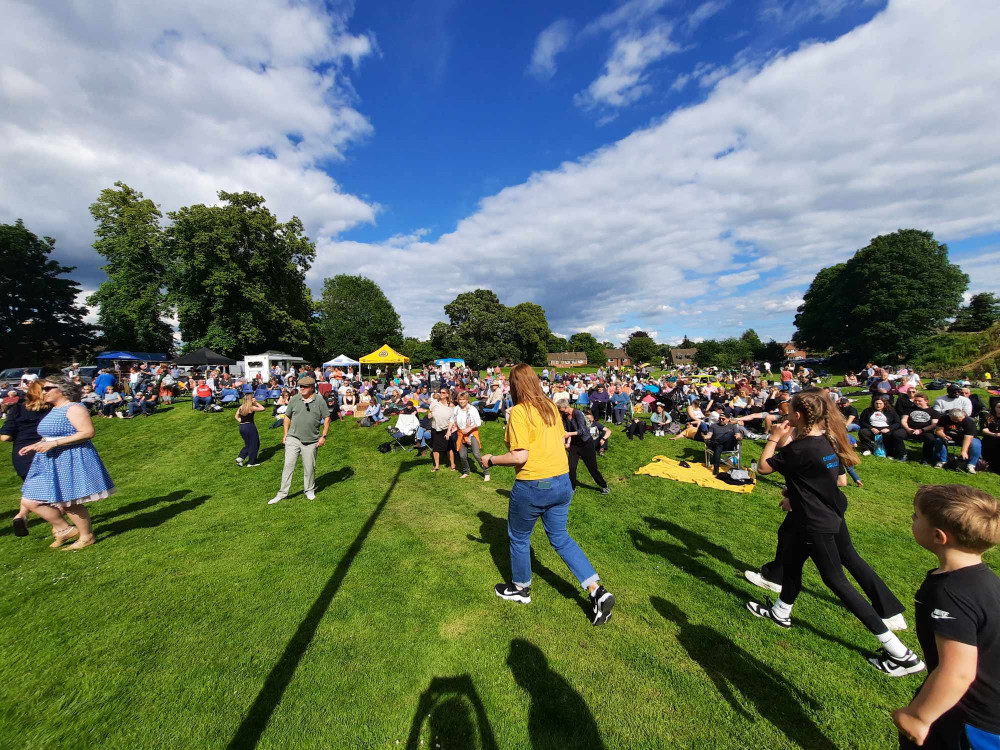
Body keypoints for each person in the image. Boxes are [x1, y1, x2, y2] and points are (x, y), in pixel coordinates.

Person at [745, 389, 922, 676]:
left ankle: (900, 653)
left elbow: (764, 467)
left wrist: (775, 437)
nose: (785, 415)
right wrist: (795, 493)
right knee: (791, 562)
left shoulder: (800, 448)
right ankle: (781, 612)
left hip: (816, 523)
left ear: (798, 415)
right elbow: (825, 478)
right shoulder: (825, 441)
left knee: (837, 581)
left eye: (789, 411)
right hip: (827, 513)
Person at [481, 364, 615, 625]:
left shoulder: (520, 412)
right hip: (562, 481)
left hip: (534, 484)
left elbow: (520, 455)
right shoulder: (551, 408)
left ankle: (520, 589)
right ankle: (596, 590)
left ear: (515, 385)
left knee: (518, 537)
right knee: (561, 538)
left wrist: (491, 460)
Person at [892, 484, 1000, 748]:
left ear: (939, 536)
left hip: (967, 718)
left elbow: (958, 671)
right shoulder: (985, 579)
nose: (912, 520)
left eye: (916, 517)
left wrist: (919, 717)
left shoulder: (950, 594)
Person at [17, 375, 115, 550]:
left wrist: (53, 444)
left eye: (47, 389)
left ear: (61, 390)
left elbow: (87, 432)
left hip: (68, 458)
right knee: (30, 499)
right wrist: (36, 445)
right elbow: (51, 434)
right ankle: (64, 529)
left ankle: (86, 536)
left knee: (69, 503)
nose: (43, 392)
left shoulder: (74, 408)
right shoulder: (55, 409)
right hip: (49, 460)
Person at [267, 376, 330, 504]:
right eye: (300, 386)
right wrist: (285, 434)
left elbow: (327, 418)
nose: (302, 389)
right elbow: (287, 417)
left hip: (311, 440)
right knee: (288, 466)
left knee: (309, 467)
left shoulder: (319, 400)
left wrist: (323, 436)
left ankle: (309, 490)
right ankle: (282, 494)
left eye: (305, 386)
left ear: (312, 387)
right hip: (293, 438)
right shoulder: (295, 399)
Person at [2, 380, 53, 536]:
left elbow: (4, 437)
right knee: (50, 492)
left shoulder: (17, 409)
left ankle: (22, 516)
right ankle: (61, 527)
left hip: (21, 455)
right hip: (46, 451)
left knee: (31, 489)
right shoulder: (53, 410)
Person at [558, 401, 610, 495]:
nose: (563, 413)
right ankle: (572, 488)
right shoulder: (565, 416)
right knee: (571, 467)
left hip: (586, 443)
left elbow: (582, 430)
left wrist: (569, 434)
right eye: (561, 412)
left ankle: (604, 486)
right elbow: (566, 431)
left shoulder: (578, 413)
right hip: (574, 444)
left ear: (567, 406)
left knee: (592, 468)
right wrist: (567, 442)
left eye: (564, 411)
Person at [449, 392, 488, 481]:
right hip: (461, 434)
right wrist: (448, 431)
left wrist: (469, 428)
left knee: (476, 454)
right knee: (462, 455)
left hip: (472, 433)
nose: (462, 401)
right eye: (460, 399)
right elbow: (452, 419)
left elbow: (478, 422)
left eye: (464, 399)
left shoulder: (472, 409)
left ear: (467, 400)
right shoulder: (456, 409)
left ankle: (486, 472)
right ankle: (466, 471)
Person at [933, 409, 982, 474]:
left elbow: (968, 438)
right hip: (949, 437)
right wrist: (943, 436)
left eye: (960, 418)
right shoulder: (944, 418)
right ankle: (941, 461)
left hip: (964, 439)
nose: (959, 420)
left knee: (976, 444)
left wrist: (964, 451)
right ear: (951, 417)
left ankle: (971, 465)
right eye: (955, 419)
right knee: (938, 440)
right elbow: (938, 430)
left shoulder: (969, 422)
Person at [859, 396, 907, 460]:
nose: (878, 405)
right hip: (873, 429)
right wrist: (871, 428)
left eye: (880, 404)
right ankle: (868, 449)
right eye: (876, 403)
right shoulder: (867, 411)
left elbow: (897, 422)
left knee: (890, 435)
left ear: (884, 404)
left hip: (886, 429)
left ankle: (890, 453)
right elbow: (862, 421)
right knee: (862, 432)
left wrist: (889, 429)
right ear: (873, 403)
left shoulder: (891, 411)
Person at [901, 393, 941, 466]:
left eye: (919, 401)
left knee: (930, 438)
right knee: (896, 434)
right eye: (915, 401)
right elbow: (903, 420)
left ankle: (926, 458)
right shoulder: (909, 409)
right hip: (909, 430)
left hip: (924, 431)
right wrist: (907, 428)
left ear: (927, 401)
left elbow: (934, 424)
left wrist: (921, 430)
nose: (917, 402)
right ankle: (902, 454)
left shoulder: (933, 412)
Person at [428, 389, 455, 473]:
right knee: (435, 448)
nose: (441, 394)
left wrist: (451, 429)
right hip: (435, 427)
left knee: (449, 448)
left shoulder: (451, 405)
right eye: (441, 392)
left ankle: (453, 464)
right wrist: (429, 414)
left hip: (446, 428)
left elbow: (454, 417)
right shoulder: (435, 402)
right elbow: (430, 411)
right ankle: (437, 466)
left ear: (447, 394)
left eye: (443, 393)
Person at [235, 394, 265, 467]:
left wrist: (241, 422)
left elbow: (236, 416)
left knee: (248, 444)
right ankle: (251, 462)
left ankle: (241, 457)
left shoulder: (241, 407)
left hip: (242, 427)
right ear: (250, 399)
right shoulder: (251, 407)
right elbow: (263, 408)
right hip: (250, 426)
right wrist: (256, 403)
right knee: (255, 443)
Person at [981, 400, 1000, 473]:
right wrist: (994, 434)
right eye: (999, 407)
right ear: (994, 408)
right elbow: (984, 430)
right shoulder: (988, 417)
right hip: (990, 439)